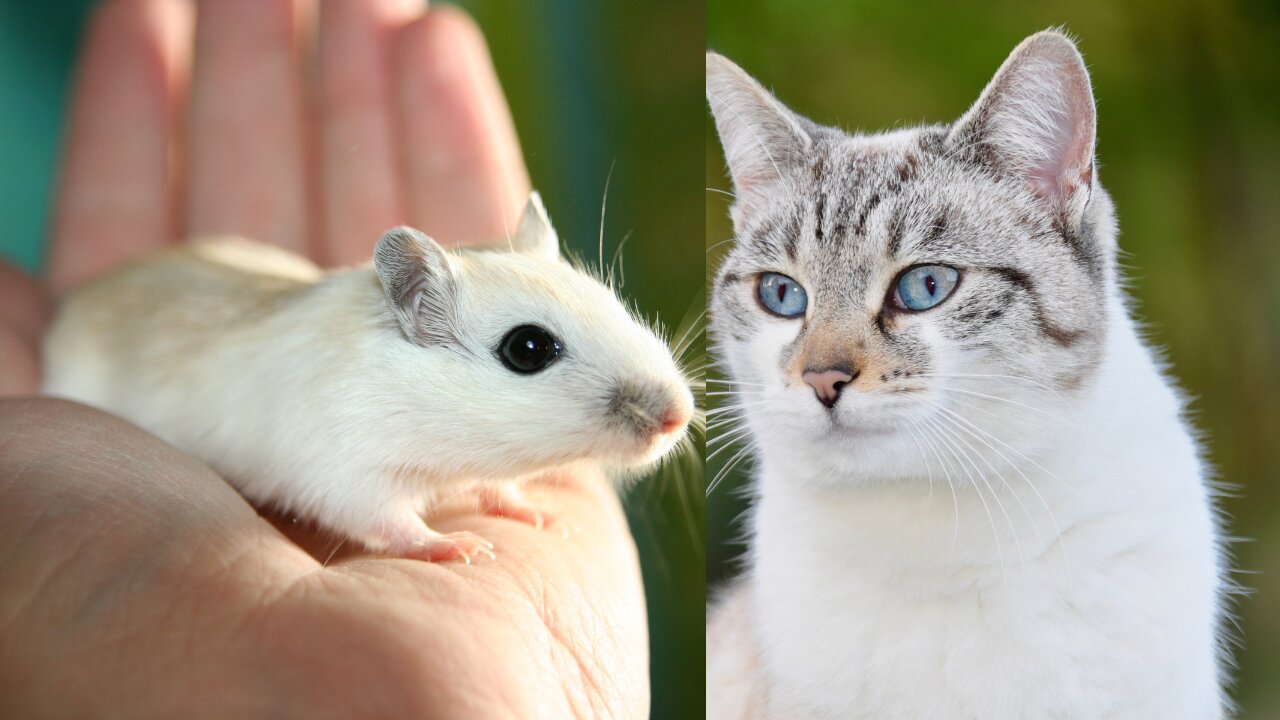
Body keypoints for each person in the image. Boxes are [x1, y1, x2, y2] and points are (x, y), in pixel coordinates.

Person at [0, 1, 648, 715]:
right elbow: (331, 469)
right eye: (529, 350)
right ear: (415, 309)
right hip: (105, 347)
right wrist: (404, 530)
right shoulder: (348, 379)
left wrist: (487, 482)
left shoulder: (409, 391)